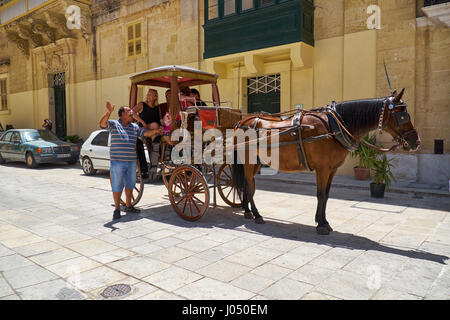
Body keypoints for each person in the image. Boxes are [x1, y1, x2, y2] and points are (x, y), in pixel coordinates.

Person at [99, 101, 162, 220]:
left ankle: (128, 206)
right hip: (117, 161)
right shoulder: (114, 124)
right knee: (117, 186)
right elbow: (102, 124)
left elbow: (146, 133)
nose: (132, 113)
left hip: (131, 161)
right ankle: (117, 209)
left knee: (130, 184)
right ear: (122, 114)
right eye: (129, 111)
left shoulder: (134, 127)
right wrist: (108, 112)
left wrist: (156, 131)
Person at [132, 89, 165, 180]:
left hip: (153, 131)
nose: (148, 96)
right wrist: (142, 122)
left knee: (157, 133)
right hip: (143, 129)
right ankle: (153, 161)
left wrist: (162, 125)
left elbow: (159, 120)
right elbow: (131, 112)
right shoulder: (142, 104)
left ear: (155, 97)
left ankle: (154, 163)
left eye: (151, 94)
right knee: (155, 127)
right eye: (148, 94)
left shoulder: (157, 108)